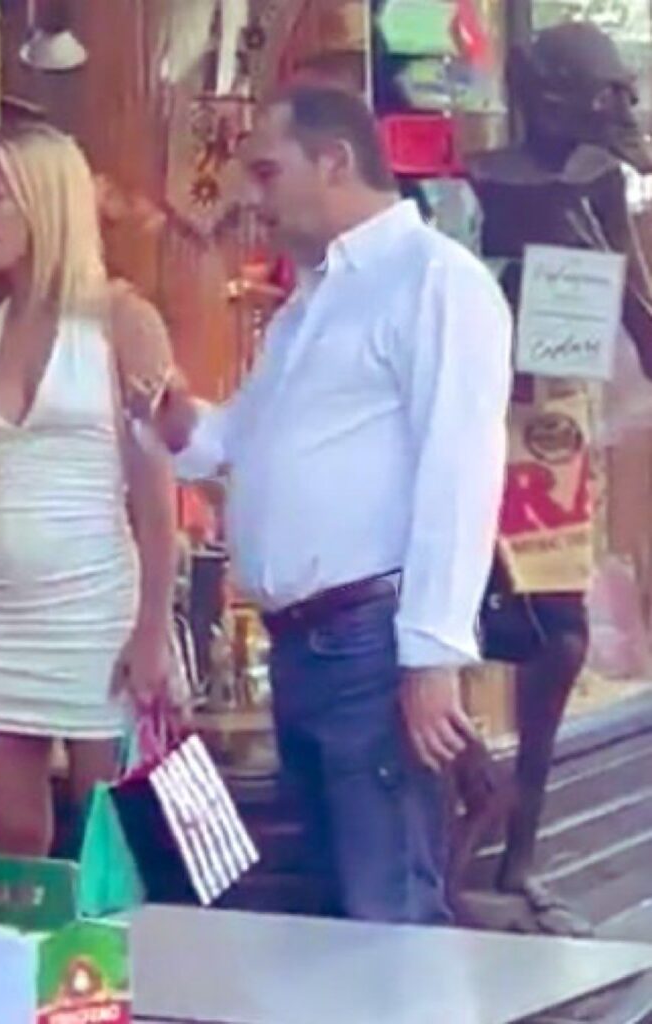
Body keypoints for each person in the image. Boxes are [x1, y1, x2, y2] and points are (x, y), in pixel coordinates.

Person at [136, 84, 512, 924]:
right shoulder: (312, 301)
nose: (253, 197)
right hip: (306, 647)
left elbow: (459, 469)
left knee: (387, 909)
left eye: (268, 171)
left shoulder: (434, 281)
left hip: (370, 640)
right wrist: (170, 420)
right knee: (338, 915)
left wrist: (430, 657)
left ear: (334, 161)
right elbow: (237, 438)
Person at [0, 122, 178, 855]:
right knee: (10, 843)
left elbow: (156, 496)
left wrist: (152, 629)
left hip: (96, 614)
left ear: (45, 201)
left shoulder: (122, 322)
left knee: (105, 845)